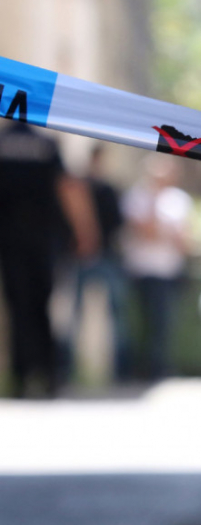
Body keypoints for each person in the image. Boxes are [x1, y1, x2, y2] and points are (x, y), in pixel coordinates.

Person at [0, 121, 98, 398]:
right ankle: (49, 373)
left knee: (18, 307)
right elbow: (68, 188)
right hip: (44, 240)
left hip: (10, 240)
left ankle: (21, 376)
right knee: (44, 305)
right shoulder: (46, 144)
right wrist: (85, 232)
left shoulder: (2, 142)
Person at [122, 154, 192, 380]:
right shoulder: (137, 196)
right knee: (143, 322)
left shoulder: (179, 199)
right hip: (143, 270)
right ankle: (141, 368)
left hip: (169, 270)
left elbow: (184, 240)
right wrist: (155, 203)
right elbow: (146, 232)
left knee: (164, 322)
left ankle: (159, 367)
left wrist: (165, 234)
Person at [67, 144, 131, 381]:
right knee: (75, 313)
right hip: (82, 256)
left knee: (116, 312)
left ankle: (122, 368)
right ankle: (66, 368)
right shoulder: (79, 187)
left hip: (105, 255)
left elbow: (118, 224)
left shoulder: (108, 189)